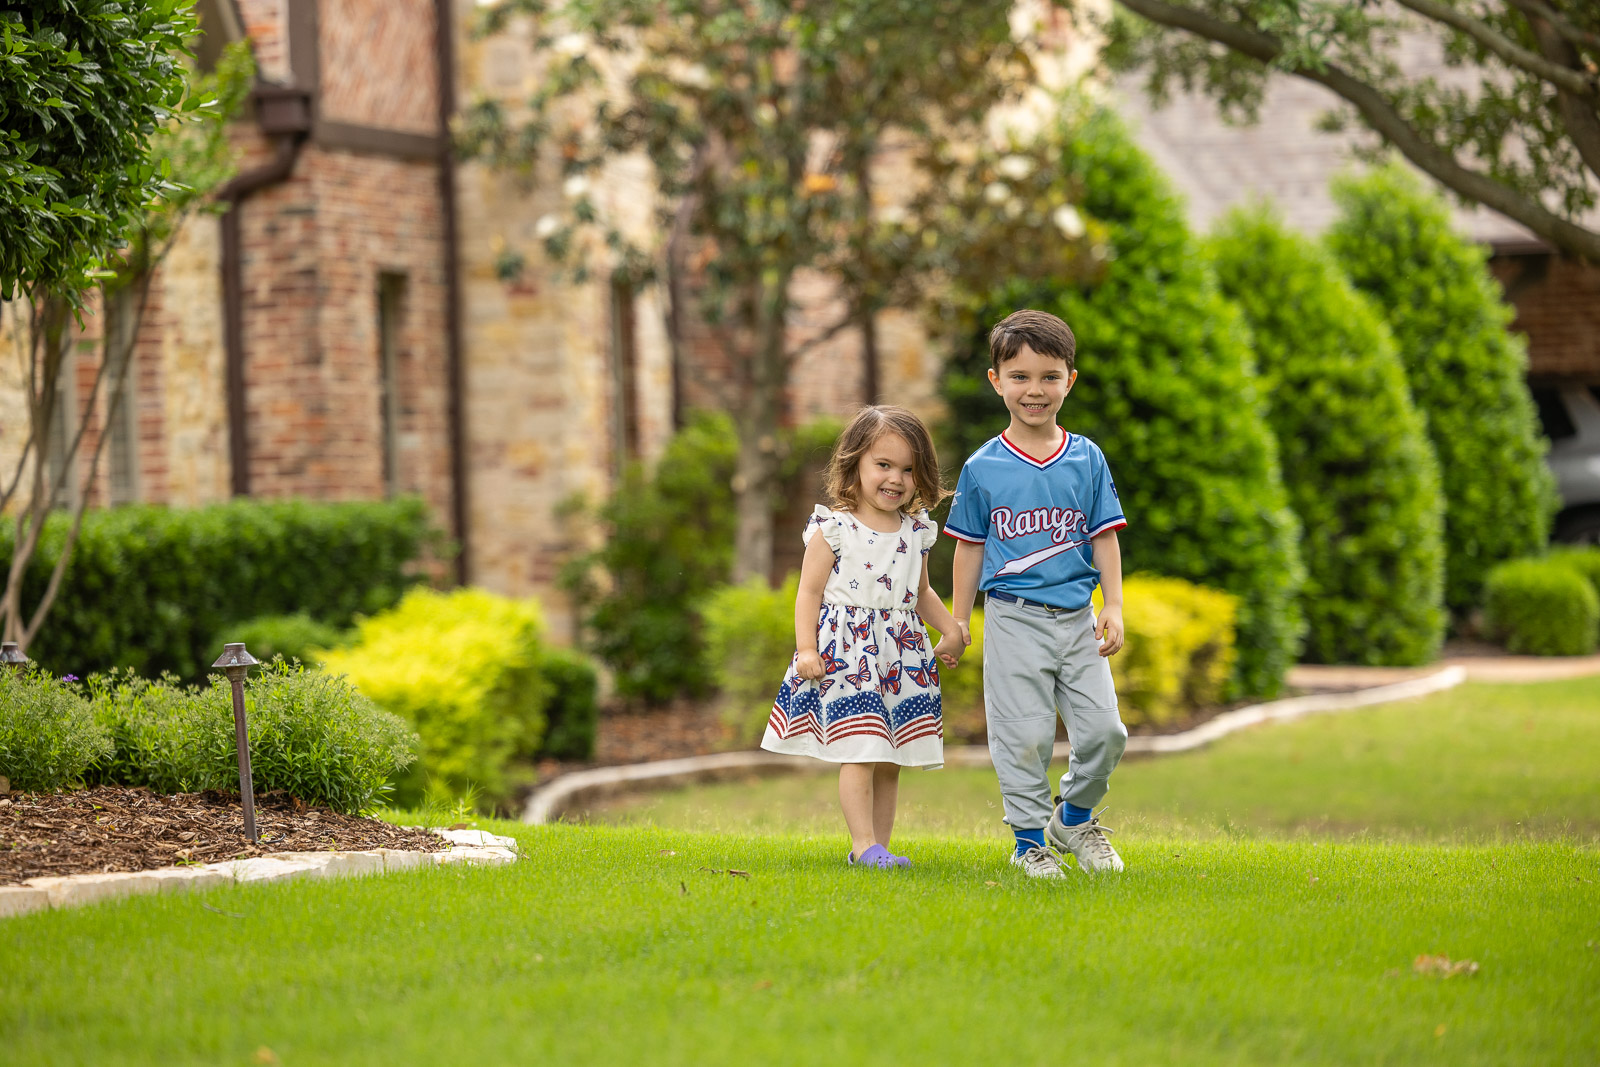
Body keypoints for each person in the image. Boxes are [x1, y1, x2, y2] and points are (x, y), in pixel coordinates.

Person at [946, 309, 1129, 879]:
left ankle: (1072, 818)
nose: (1035, 389)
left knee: (1106, 732)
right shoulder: (982, 467)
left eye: (1049, 376)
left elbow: (1104, 536)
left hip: (1077, 619)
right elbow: (969, 548)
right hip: (1013, 618)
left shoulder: (1087, 456)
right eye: (1019, 376)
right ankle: (1029, 843)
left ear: (1069, 381)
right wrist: (959, 620)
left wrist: (1114, 606)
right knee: (1022, 736)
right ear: (996, 381)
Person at [761, 405, 967, 869]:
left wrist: (951, 627)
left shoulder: (916, 532)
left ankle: (879, 848)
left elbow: (920, 592)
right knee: (861, 747)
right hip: (850, 656)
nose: (896, 478)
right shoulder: (833, 529)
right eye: (884, 465)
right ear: (854, 463)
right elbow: (809, 592)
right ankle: (862, 844)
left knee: (891, 756)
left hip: (899, 656)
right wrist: (806, 648)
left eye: (908, 469)